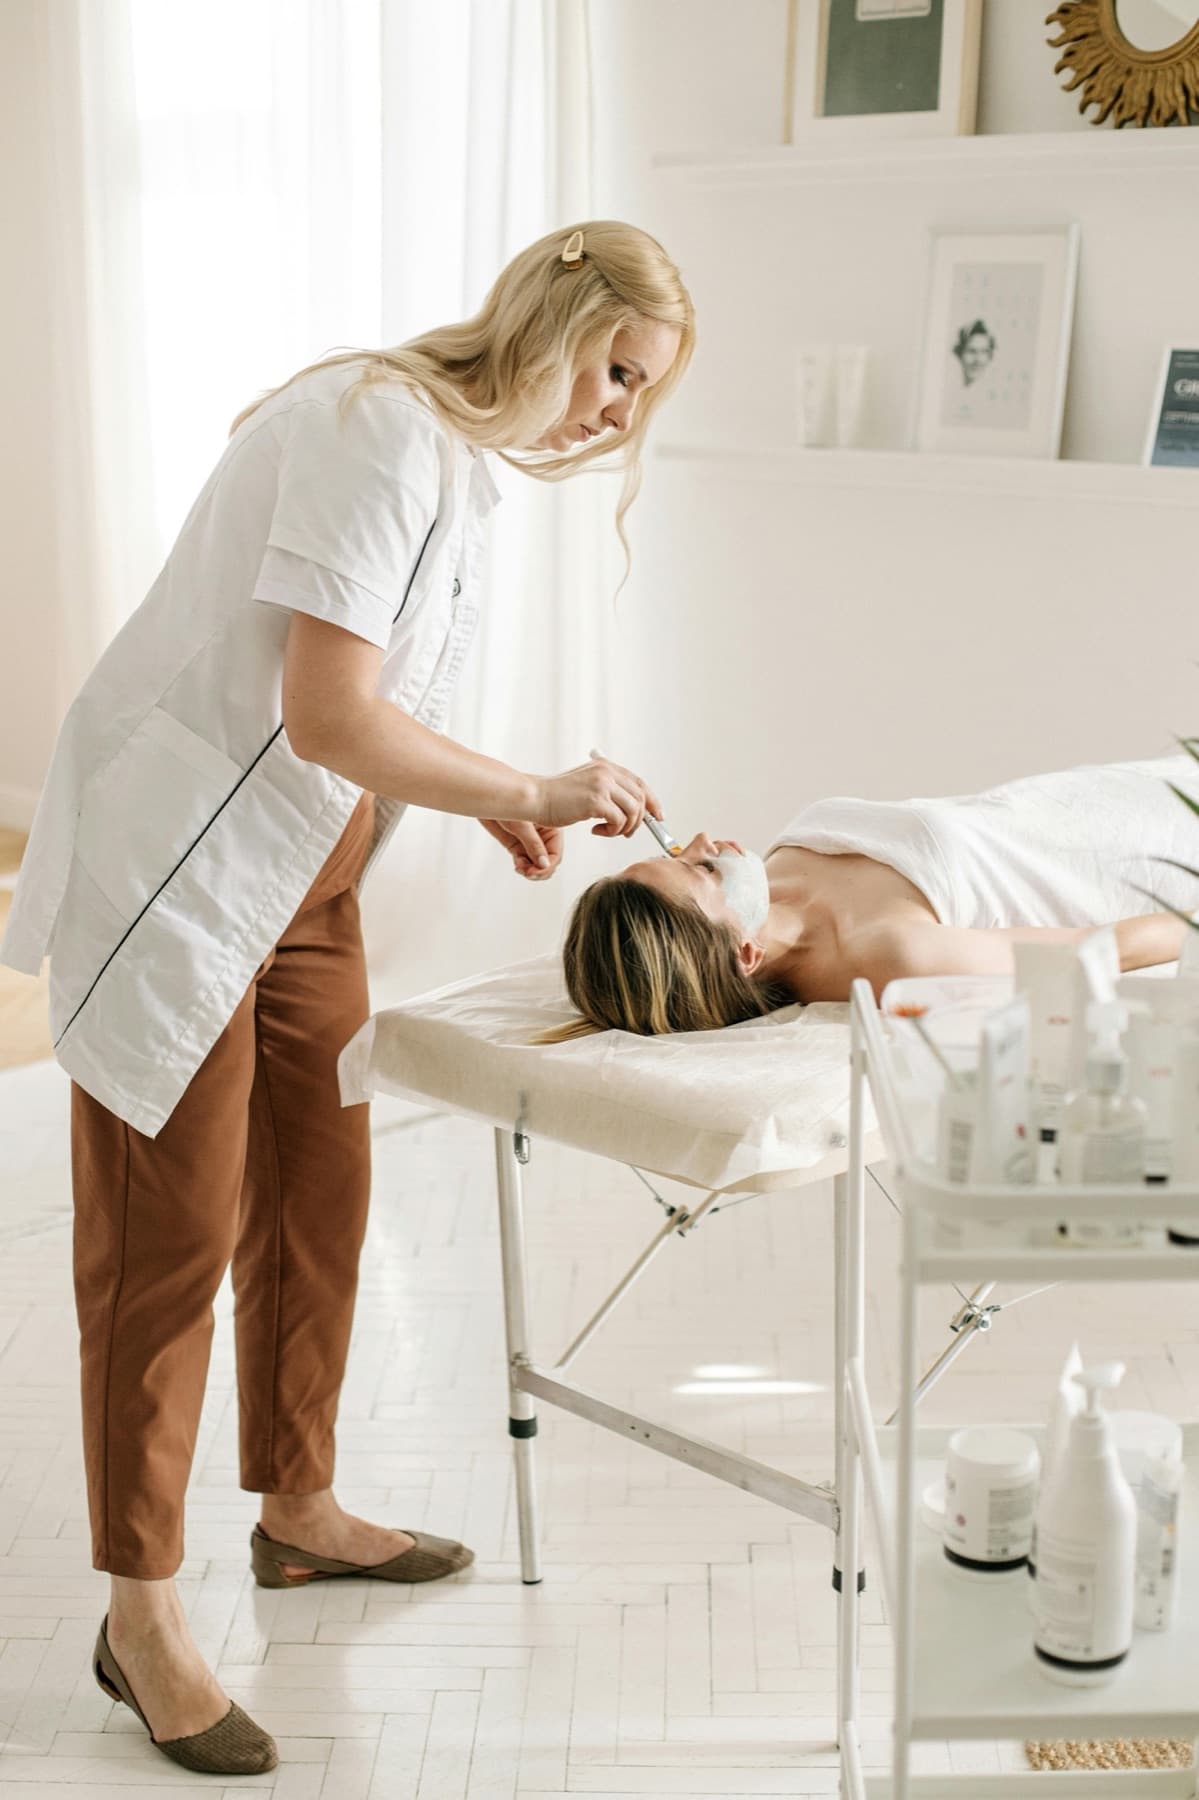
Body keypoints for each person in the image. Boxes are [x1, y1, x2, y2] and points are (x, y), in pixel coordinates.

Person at [0, 221, 693, 1775]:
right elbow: (323, 715)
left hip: (305, 877)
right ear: (558, 320)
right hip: (180, 867)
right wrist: (528, 779)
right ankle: (138, 1613)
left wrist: (484, 796)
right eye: (616, 372)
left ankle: (298, 1512)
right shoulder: (373, 424)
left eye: (639, 398)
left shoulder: (449, 462)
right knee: (162, 1242)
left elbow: (366, 703)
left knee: (319, 1190)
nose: (614, 416)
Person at [553, 753, 1198, 1037]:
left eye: (674, 852)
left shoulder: (771, 880)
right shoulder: (891, 958)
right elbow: (1104, 949)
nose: (699, 839)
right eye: (702, 871)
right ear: (744, 955)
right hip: (1153, 855)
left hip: (1101, 795)